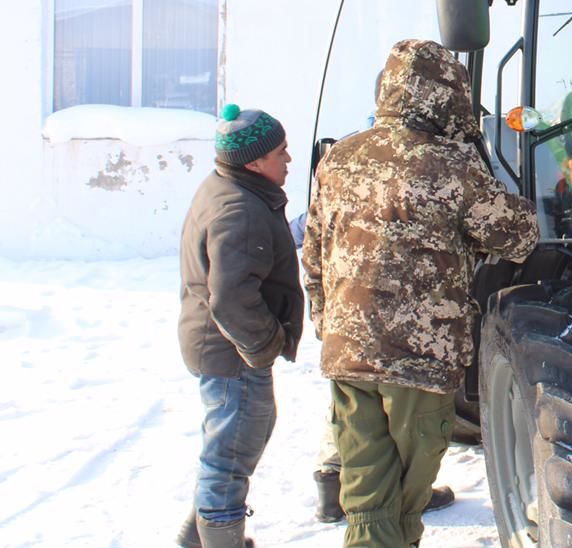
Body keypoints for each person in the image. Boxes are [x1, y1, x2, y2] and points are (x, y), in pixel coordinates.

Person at [303, 39, 539, 548]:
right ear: (446, 97)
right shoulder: (449, 167)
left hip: (348, 354)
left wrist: (330, 326)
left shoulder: (339, 159)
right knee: (405, 495)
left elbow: (314, 253)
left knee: (367, 490)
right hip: (418, 359)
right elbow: (517, 237)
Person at [177, 106, 303, 548]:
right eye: (281, 152)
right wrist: (264, 346)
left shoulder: (228, 187)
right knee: (230, 452)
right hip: (232, 351)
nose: (288, 159)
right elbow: (231, 299)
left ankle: (197, 539)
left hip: (219, 345)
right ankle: (218, 539)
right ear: (253, 162)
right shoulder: (241, 211)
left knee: (237, 438)